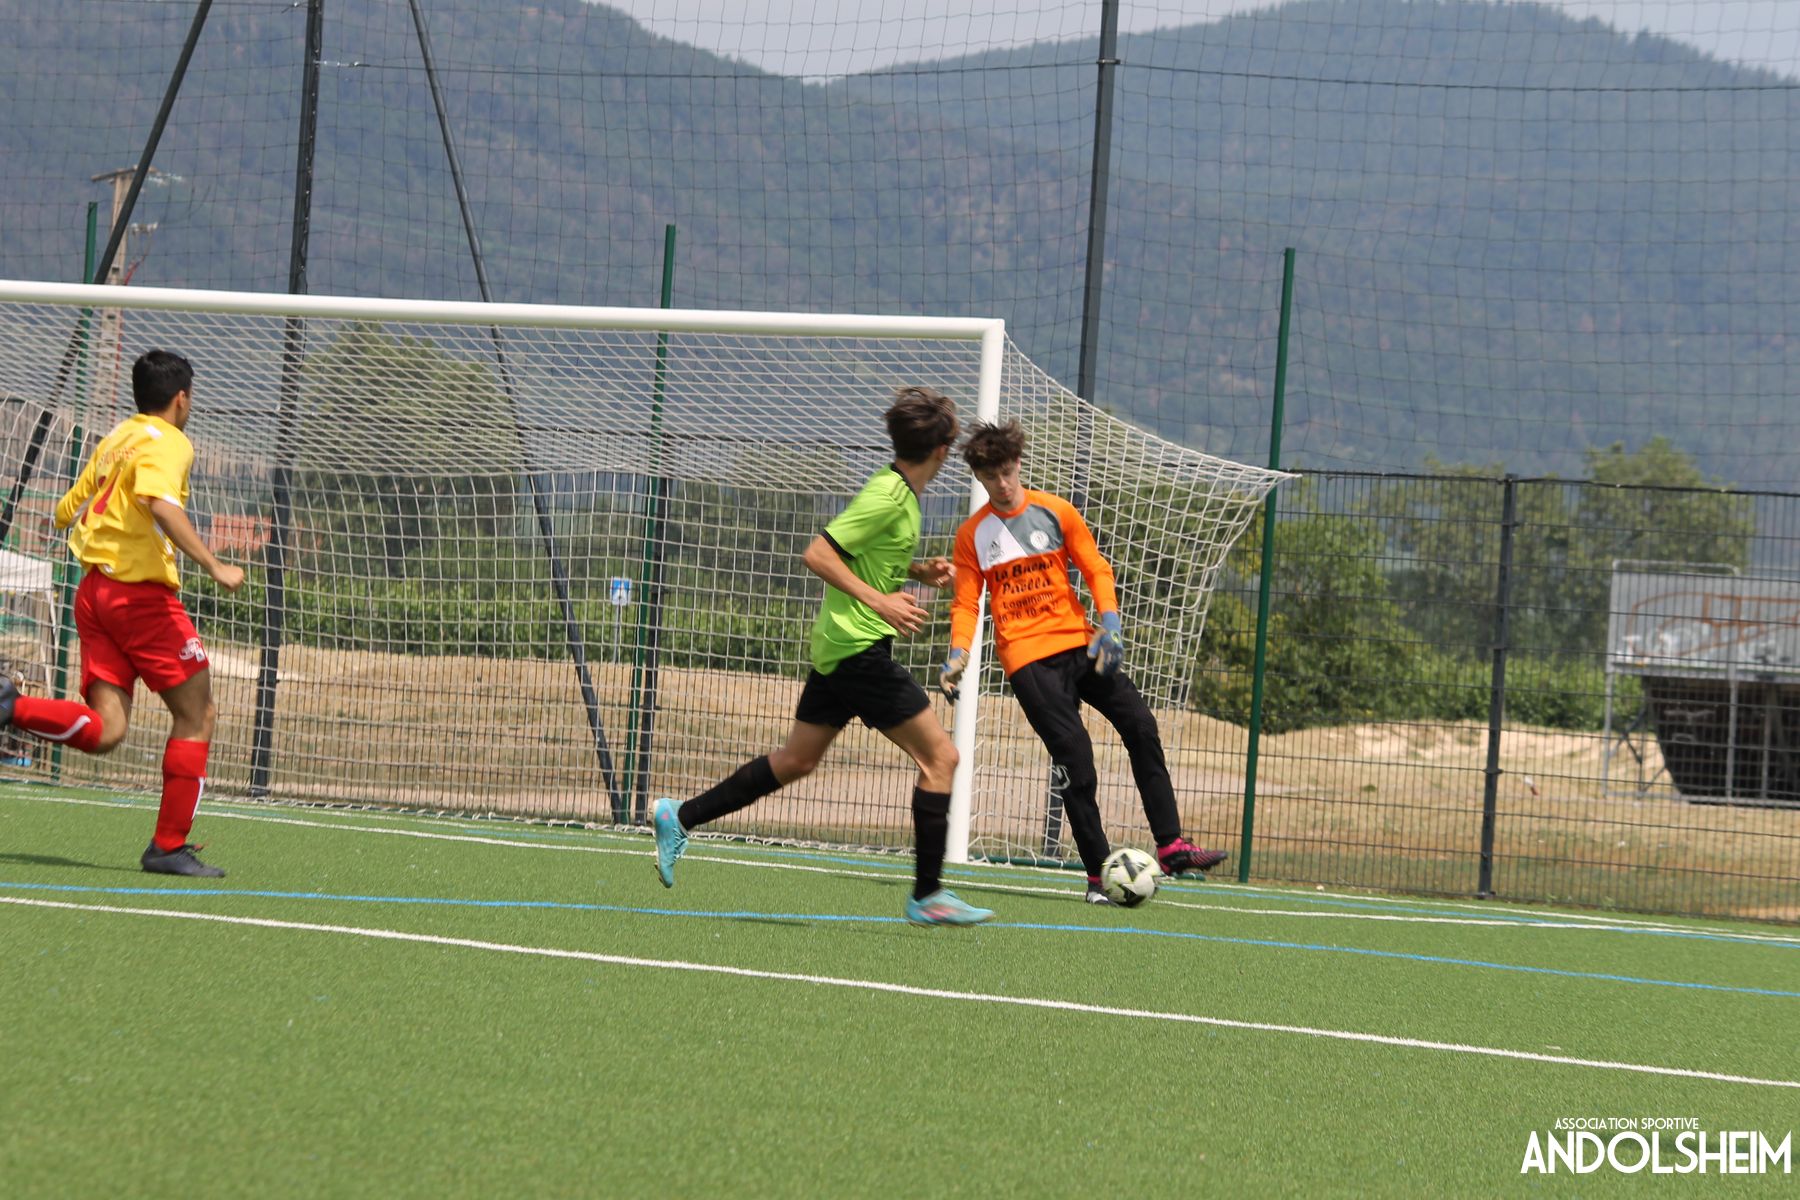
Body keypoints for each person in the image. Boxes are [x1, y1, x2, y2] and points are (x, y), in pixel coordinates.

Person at [652, 386, 993, 927]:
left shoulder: (899, 493)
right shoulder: (889, 496)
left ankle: (680, 816)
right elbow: (818, 553)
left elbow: (864, 553)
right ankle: (928, 895)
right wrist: (881, 601)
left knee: (796, 761)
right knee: (941, 760)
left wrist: (916, 571)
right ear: (943, 449)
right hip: (858, 650)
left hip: (841, 647)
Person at [940, 419, 1227, 905]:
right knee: (1077, 760)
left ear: (1018, 464)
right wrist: (958, 652)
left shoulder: (1056, 511)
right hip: (1029, 662)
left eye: (1007, 472)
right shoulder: (973, 534)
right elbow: (966, 603)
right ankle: (1098, 875)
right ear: (979, 478)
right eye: (991, 477)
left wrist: (1110, 621)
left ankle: (1172, 846)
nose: (1002, 484)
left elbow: (1095, 567)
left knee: (1140, 724)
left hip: (1081, 644)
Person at [0, 349, 245, 877]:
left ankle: (9, 706)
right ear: (182, 398)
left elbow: (66, 509)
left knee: (108, 730)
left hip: (94, 594)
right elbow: (161, 503)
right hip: (138, 599)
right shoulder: (170, 440)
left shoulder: (117, 438)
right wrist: (214, 565)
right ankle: (168, 846)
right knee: (197, 714)